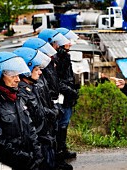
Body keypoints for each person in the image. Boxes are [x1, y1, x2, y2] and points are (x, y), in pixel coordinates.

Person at [0, 52, 44, 170]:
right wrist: (27, 160)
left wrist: (37, 153)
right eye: (12, 75)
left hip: (27, 162)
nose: (17, 79)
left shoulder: (15, 97)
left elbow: (30, 128)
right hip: (7, 165)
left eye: (18, 74)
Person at [22, 38, 74, 169]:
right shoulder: (29, 83)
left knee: (53, 141)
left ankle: (57, 160)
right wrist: (52, 111)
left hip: (49, 116)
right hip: (42, 126)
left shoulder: (43, 70)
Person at [13, 47, 60, 170]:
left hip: (44, 140)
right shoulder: (22, 93)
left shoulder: (31, 87)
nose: (40, 72)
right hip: (39, 144)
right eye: (37, 69)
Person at [54, 27, 80, 159]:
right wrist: (70, 91)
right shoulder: (58, 57)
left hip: (67, 97)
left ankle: (62, 149)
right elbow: (57, 81)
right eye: (67, 41)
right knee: (60, 124)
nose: (70, 43)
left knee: (64, 124)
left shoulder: (65, 55)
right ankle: (59, 151)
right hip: (61, 97)